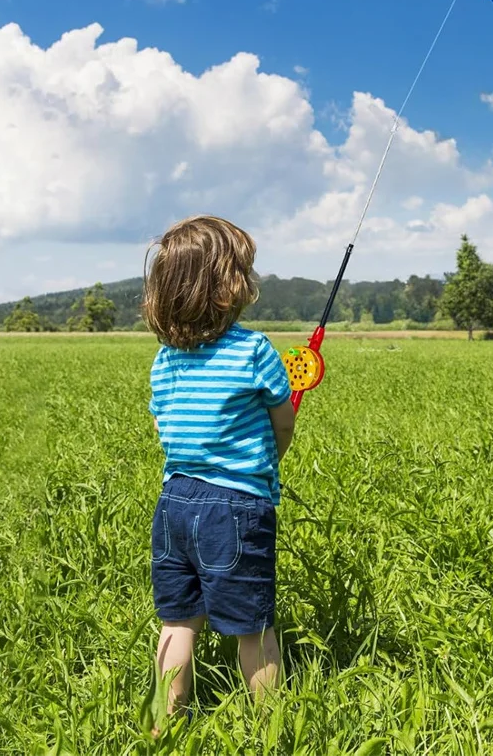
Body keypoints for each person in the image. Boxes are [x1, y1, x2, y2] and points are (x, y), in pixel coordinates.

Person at [141, 214, 295, 732]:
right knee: (253, 629)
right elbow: (283, 424)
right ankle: (271, 731)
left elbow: (168, 422)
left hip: (174, 503)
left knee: (177, 624)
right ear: (231, 287)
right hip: (233, 507)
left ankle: (165, 729)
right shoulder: (254, 351)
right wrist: (268, 461)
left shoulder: (165, 360)